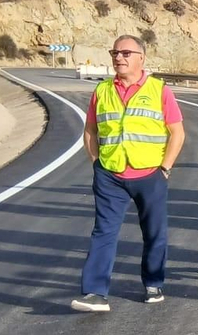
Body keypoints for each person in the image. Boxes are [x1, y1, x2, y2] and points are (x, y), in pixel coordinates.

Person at [72, 35, 186, 312]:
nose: (118, 58)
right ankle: (95, 293)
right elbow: (90, 131)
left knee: (154, 232)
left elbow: (177, 133)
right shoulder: (102, 91)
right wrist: (97, 163)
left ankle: (153, 283)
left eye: (125, 53)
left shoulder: (159, 90)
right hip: (110, 175)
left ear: (141, 58)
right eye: (115, 53)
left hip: (150, 175)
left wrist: (165, 168)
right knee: (103, 232)